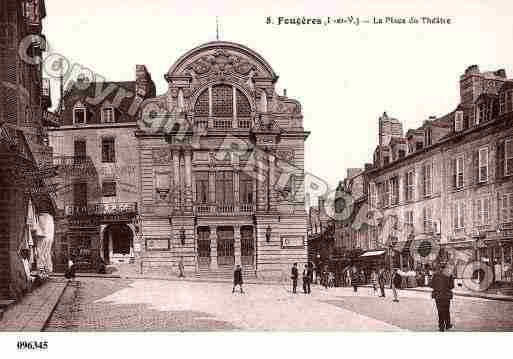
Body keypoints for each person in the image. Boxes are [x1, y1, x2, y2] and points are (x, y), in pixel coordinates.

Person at [431, 265, 454, 331]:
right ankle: (447, 325)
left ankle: (441, 326)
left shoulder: (435, 274)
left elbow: (431, 285)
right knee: (446, 310)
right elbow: (451, 286)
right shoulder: (449, 275)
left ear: (439, 267)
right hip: (446, 295)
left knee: (440, 311)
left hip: (438, 295)